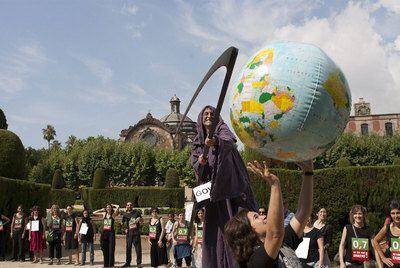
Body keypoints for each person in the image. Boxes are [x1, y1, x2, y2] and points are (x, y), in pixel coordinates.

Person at [191, 105, 258, 268]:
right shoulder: (197, 143)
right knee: (214, 234)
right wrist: (201, 163)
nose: (208, 116)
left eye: (211, 114)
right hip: (213, 198)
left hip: (229, 192)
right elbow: (198, 170)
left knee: (234, 229)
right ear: (200, 119)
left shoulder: (222, 130)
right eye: (205, 114)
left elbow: (229, 143)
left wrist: (216, 142)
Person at [224, 160, 315, 268]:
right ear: (248, 231)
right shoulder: (254, 261)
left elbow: (303, 213)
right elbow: (275, 234)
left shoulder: (282, 243)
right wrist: (274, 184)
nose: (263, 216)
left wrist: (308, 172)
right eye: (256, 217)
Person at [373, 200, 400, 268]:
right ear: (390, 215)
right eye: (393, 213)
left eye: (398, 213)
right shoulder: (387, 228)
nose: (396, 216)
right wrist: (383, 258)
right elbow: (375, 240)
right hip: (391, 264)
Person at [121, 201, 142, 267]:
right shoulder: (124, 215)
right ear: (126, 206)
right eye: (128, 205)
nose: (129, 206)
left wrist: (140, 219)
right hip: (129, 234)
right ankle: (128, 263)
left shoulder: (137, 212)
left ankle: (138, 263)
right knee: (128, 248)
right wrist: (124, 229)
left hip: (136, 233)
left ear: (132, 206)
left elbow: (142, 221)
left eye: (130, 205)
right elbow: (122, 224)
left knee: (138, 249)